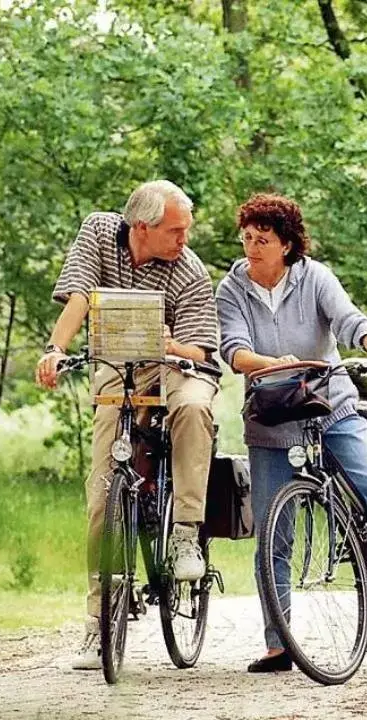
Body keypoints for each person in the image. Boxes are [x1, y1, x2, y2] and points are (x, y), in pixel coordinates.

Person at [216, 193, 367, 673]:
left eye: (264, 240)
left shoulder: (314, 277)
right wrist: (271, 364)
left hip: (331, 404)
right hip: (271, 415)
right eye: (247, 238)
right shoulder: (231, 288)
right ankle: (279, 644)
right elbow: (233, 350)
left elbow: (350, 321)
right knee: (273, 532)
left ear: (288, 244)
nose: (252, 248)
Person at [35, 180, 220, 671]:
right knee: (101, 498)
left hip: (177, 364)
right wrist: (56, 349)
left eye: (187, 230)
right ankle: (100, 623)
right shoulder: (98, 232)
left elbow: (204, 351)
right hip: (118, 363)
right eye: (176, 230)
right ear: (142, 226)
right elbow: (80, 297)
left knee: (194, 407)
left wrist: (172, 346)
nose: (185, 239)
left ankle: (184, 529)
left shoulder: (189, 270)